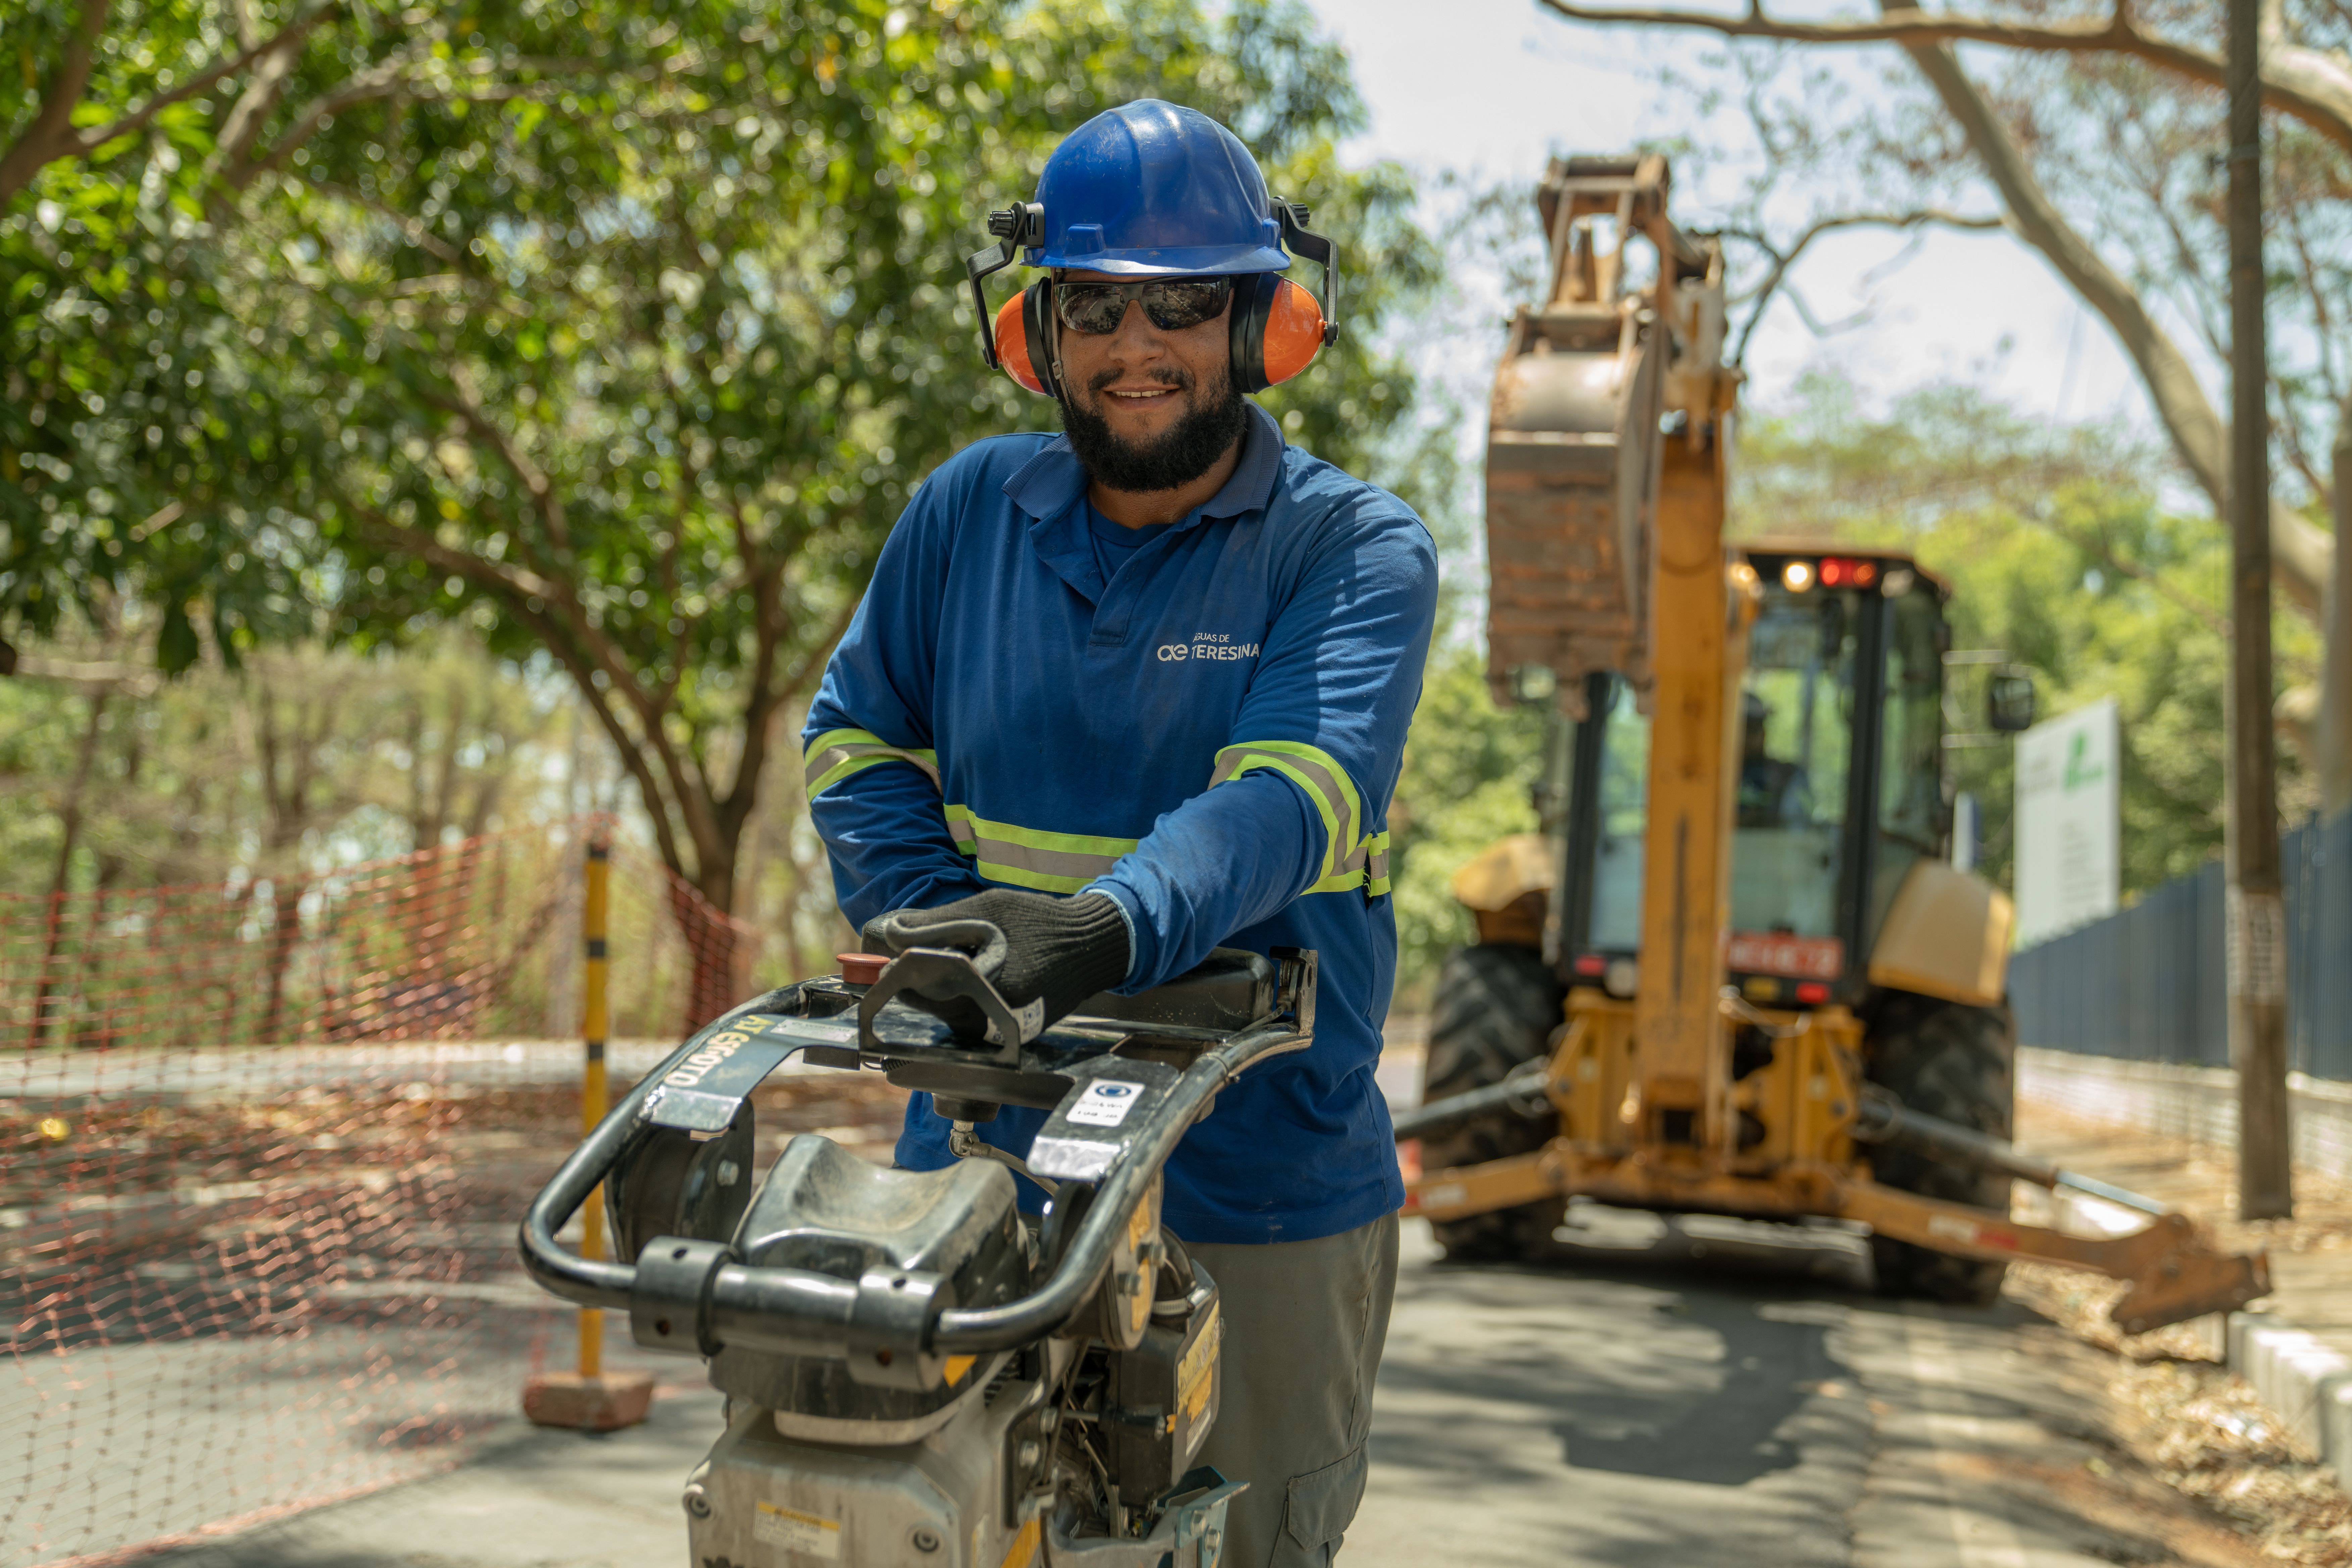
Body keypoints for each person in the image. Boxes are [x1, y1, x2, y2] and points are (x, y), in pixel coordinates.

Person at [799, 98, 1436, 1567]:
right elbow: (854, 735)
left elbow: (1292, 801)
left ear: (1259, 320)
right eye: (1097, 304)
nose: (1136, 345)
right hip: (975, 1148)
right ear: (1041, 324)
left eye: (1185, 304)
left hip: (1255, 1179)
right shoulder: (966, 514)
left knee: (1235, 1542)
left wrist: (1096, 931)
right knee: (918, 1524)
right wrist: (926, 920)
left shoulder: (1349, 548)